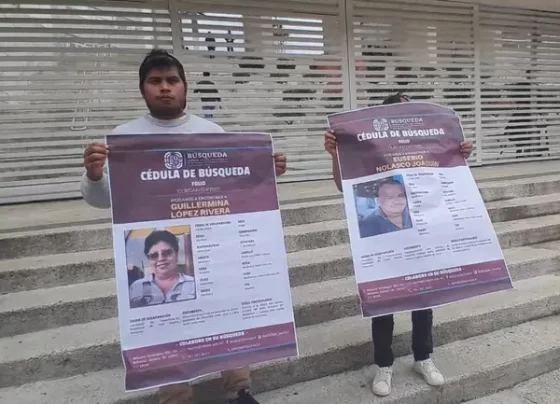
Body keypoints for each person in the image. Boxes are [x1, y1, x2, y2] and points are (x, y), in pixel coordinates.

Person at [81, 48, 287, 404]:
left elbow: (234, 188)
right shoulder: (123, 138)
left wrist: (265, 173)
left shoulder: (211, 132)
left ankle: (239, 389)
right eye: (155, 81)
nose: (165, 87)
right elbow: (101, 200)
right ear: (143, 88)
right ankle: (176, 397)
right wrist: (95, 175)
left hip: (212, 245)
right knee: (165, 324)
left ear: (185, 86)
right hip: (160, 243)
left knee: (228, 313)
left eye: (172, 80)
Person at [323, 92, 473, 397]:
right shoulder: (369, 151)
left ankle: (423, 357)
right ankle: (384, 364)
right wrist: (336, 154)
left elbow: (446, 179)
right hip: (384, 240)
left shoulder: (425, 147)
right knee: (383, 301)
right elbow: (343, 185)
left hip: (421, 233)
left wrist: (458, 155)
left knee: (423, 299)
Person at [129, 230, 196, 308]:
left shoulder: (194, 284)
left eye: (167, 253)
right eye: (154, 255)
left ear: (176, 254)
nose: (161, 259)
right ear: (149, 260)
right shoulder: (136, 287)